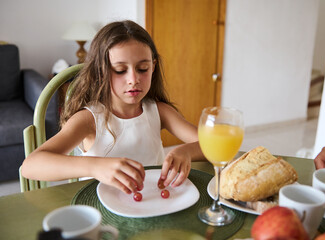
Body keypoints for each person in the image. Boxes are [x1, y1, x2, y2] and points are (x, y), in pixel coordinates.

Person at [21, 20, 205, 195]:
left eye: (142, 69)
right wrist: (95, 166)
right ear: (100, 72)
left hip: (150, 201)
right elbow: (30, 166)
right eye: (120, 70)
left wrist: (186, 151)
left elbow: (211, 147)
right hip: (101, 207)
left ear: (153, 66)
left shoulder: (159, 111)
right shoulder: (89, 119)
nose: (133, 79)